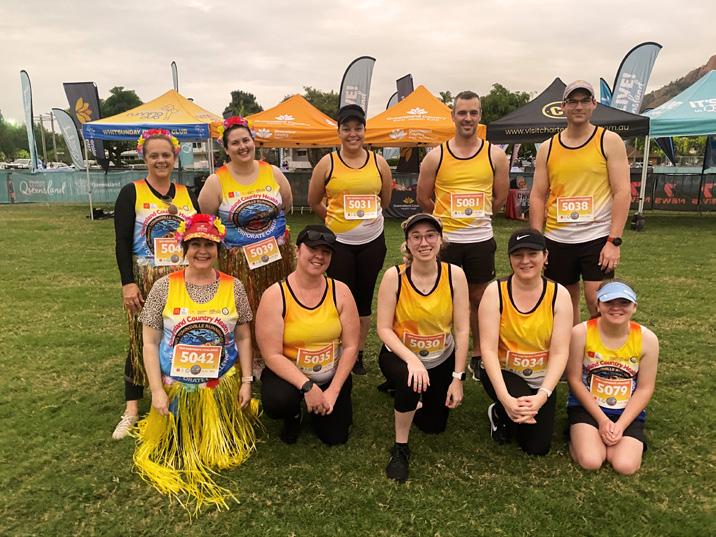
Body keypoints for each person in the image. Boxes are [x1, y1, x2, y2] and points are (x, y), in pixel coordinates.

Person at [134, 214, 260, 512]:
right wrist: (157, 391)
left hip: (219, 388)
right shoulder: (163, 287)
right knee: (174, 449)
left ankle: (220, 424)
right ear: (184, 248)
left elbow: (244, 337)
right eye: (195, 245)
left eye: (209, 245)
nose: (202, 251)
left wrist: (246, 382)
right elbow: (149, 343)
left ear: (219, 249)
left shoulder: (234, 286)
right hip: (176, 390)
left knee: (221, 448)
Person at [111, 129, 199, 440]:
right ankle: (132, 410)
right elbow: (122, 242)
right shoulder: (131, 193)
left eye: (166, 155)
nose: (161, 160)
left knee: (180, 335)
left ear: (175, 157)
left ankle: (178, 395)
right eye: (154, 155)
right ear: (144, 157)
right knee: (140, 340)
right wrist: (128, 283)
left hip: (183, 280)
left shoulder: (188, 194)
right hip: (147, 278)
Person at [417, 91, 509, 380]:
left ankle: (479, 355)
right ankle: (443, 352)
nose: (468, 118)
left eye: (473, 112)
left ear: (480, 116)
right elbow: (423, 198)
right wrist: (447, 219)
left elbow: (499, 198)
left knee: (480, 299)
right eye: (462, 113)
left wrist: (475, 217)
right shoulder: (436, 156)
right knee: (443, 299)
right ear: (453, 116)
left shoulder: (495, 155)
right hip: (447, 241)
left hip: (480, 240)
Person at [376, 213, 470, 482]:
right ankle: (400, 447)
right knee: (409, 380)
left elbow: (462, 330)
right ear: (407, 243)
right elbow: (383, 329)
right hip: (400, 355)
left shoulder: (455, 275)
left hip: (441, 357)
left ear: (440, 240)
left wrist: (457, 378)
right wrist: (412, 360)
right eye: (416, 237)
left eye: (430, 235)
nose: (424, 242)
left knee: (433, 426)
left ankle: (415, 396)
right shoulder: (395, 276)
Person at [529, 80, 630, 323]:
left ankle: (597, 347)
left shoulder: (609, 141)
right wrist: (537, 243)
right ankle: (572, 347)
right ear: (563, 107)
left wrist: (614, 241)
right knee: (563, 305)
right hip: (558, 238)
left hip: (596, 237)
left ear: (594, 104)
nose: (579, 106)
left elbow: (623, 192)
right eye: (573, 101)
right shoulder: (547, 148)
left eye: (585, 100)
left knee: (598, 301)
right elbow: (538, 195)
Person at [198, 116, 294, 358]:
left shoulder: (273, 172)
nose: (242, 146)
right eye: (235, 143)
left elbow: (287, 205)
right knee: (246, 308)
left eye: (246, 140)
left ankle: (277, 353)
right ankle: (250, 358)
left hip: (276, 257)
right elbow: (208, 222)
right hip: (239, 262)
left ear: (253, 141)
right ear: (226, 148)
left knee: (279, 305)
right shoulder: (216, 181)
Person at [307, 104, 393, 375]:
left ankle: (357, 353)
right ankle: (340, 348)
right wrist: (335, 221)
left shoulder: (379, 163)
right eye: (347, 129)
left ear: (365, 131)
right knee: (340, 299)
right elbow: (314, 201)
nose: (353, 134)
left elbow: (385, 201)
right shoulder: (327, 163)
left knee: (364, 300)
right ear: (339, 132)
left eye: (358, 128)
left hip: (372, 243)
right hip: (339, 245)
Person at [255, 225, 360, 445]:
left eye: (326, 252)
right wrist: (307, 387)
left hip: (330, 374)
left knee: (335, 437)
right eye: (312, 249)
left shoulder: (340, 291)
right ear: (297, 251)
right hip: (291, 376)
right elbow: (271, 354)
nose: (319, 256)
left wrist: (333, 391)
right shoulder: (275, 295)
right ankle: (293, 414)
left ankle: (328, 399)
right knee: (278, 401)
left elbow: (351, 346)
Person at [478, 229, 572, 455]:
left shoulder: (559, 295)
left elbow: (560, 352)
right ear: (510, 259)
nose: (525, 261)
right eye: (518, 255)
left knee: (536, 448)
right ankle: (500, 410)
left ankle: (513, 411)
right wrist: (505, 398)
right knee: (517, 412)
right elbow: (488, 350)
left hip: (541, 378)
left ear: (545, 256)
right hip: (505, 372)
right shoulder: (495, 292)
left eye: (533, 254)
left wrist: (543, 395)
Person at [567, 280, 659, 475]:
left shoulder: (647, 339)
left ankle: (614, 440)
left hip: (626, 410)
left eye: (624, 303)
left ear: (634, 307)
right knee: (591, 460)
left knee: (624, 466)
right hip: (588, 408)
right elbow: (574, 380)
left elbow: (645, 388)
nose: (616, 308)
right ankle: (578, 436)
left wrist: (621, 425)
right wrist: (602, 420)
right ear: (598, 305)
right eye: (609, 302)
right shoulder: (581, 332)